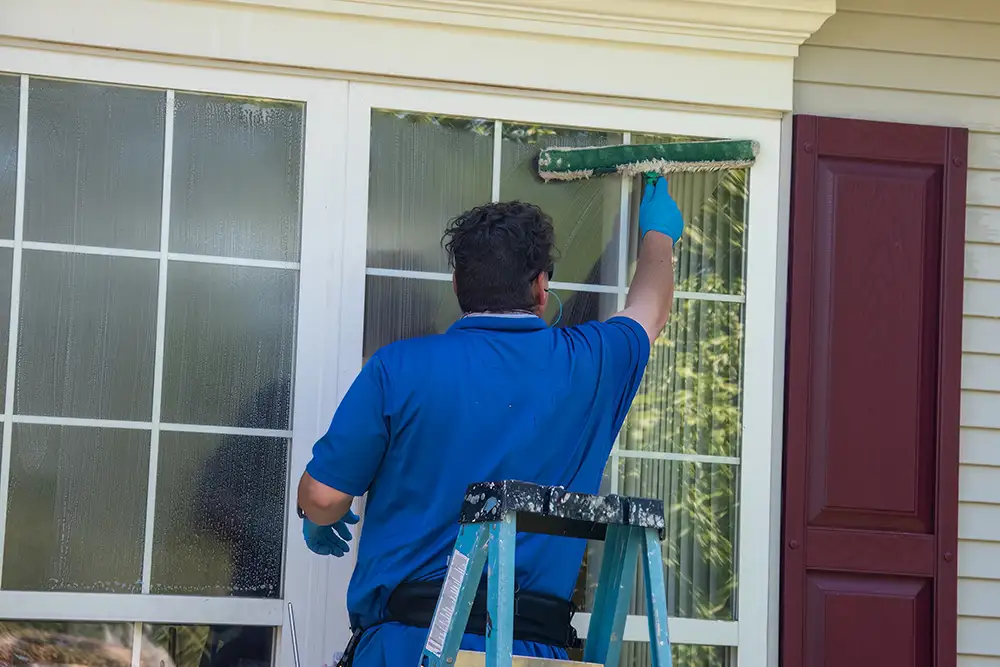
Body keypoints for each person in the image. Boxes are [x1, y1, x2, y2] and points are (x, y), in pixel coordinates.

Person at [296, 176, 684, 665]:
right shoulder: (591, 362)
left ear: (458, 283)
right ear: (542, 286)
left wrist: (315, 515)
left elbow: (326, 496)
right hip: (530, 655)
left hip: (408, 648)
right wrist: (658, 235)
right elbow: (650, 308)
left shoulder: (400, 367)